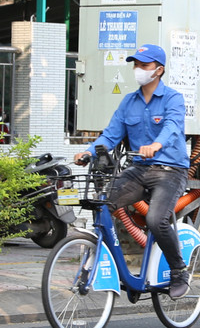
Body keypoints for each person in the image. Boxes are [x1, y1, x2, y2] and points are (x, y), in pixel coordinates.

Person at [75, 44, 192, 298]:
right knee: (101, 203)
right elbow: (111, 135)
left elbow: (172, 127)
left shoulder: (172, 98)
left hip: (171, 171)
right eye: (136, 64)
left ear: (159, 70)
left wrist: (156, 145)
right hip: (139, 169)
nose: (138, 69)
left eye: (144, 65)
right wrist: (89, 152)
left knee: (155, 220)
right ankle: (115, 266)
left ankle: (179, 270)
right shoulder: (129, 102)